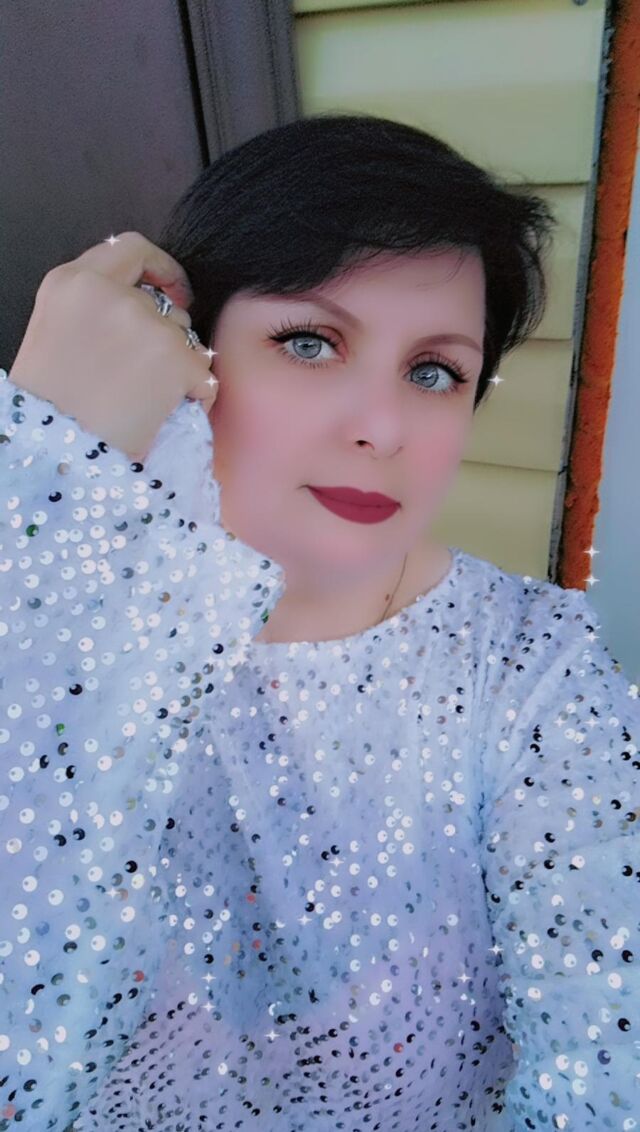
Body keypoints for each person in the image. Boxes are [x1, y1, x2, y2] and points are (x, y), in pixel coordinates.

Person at [0, 112, 638, 1132]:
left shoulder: (532, 669)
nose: (381, 427)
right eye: (310, 342)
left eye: (434, 372)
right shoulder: (72, 618)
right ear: (189, 348)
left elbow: (609, 1055)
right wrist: (52, 473)